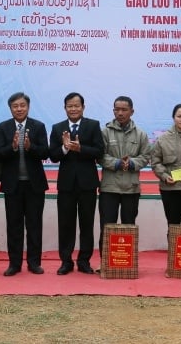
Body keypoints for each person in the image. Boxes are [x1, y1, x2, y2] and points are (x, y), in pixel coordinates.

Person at [0, 92, 50, 276]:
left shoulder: (38, 126)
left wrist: (29, 147)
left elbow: (45, 153)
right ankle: (14, 264)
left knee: (34, 225)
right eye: (15, 106)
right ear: (10, 108)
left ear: (28, 106)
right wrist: (12, 147)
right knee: (14, 225)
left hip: (34, 185)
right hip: (13, 185)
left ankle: (34, 263)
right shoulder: (3, 127)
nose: (19, 109)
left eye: (22, 105)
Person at [49, 92, 104, 275]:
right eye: (69, 106)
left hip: (87, 184)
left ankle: (84, 261)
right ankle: (66, 261)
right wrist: (65, 147)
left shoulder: (93, 125)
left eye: (76, 105)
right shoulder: (58, 128)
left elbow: (99, 151)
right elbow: (53, 156)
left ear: (83, 107)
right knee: (65, 224)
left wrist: (80, 148)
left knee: (86, 224)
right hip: (66, 185)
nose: (73, 109)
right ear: (65, 108)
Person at [99, 96, 151, 251]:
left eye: (124, 109)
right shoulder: (105, 132)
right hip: (109, 188)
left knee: (129, 226)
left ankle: (127, 263)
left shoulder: (141, 134)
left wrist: (133, 163)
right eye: (117, 109)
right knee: (107, 227)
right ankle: (106, 263)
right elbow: (99, 155)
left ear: (132, 111)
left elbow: (146, 156)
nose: (120, 113)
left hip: (131, 188)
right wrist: (116, 163)